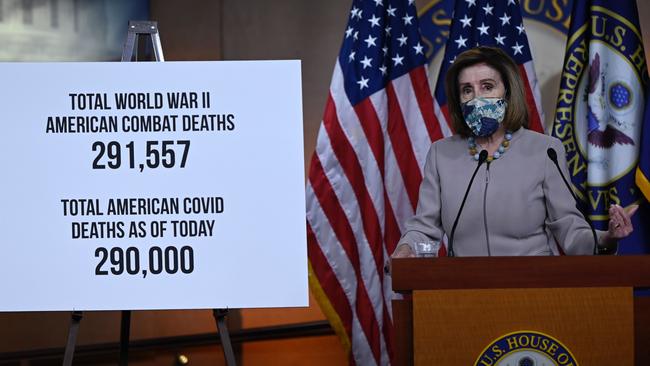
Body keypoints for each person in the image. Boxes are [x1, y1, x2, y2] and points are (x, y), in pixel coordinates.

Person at [392, 46, 637, 258]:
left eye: (487, 87)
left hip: (531, 289)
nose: (477, 98)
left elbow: (570, 229)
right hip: (463, 290)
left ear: (508, 93)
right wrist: (406, 248)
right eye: (467, 90)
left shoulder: (545, 151)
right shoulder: (441, 154)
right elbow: (425, 227)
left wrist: (607, 238)